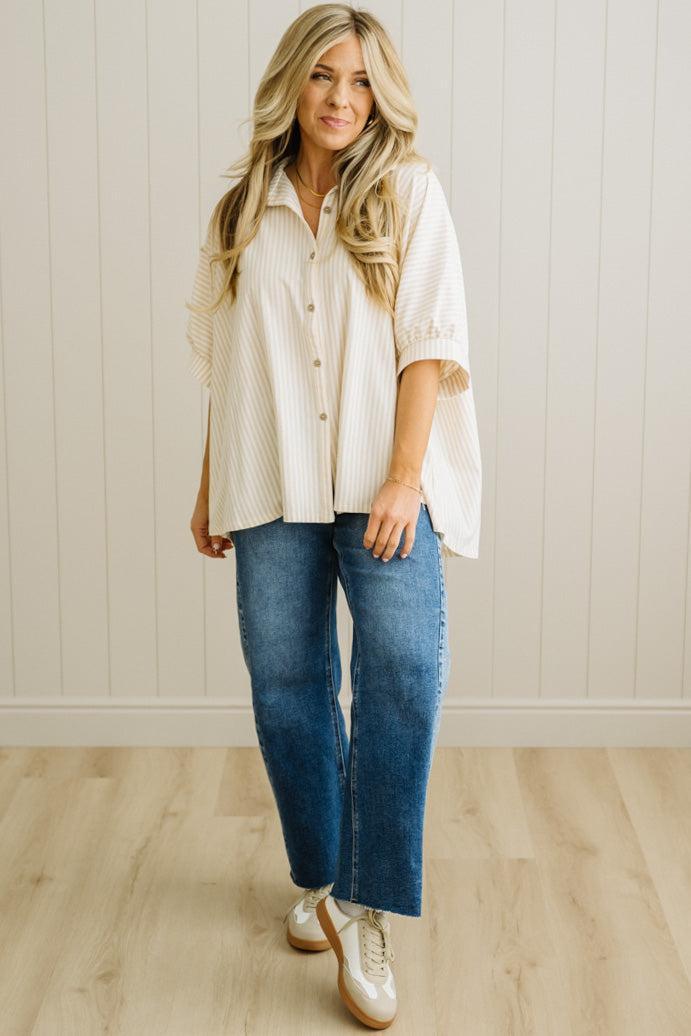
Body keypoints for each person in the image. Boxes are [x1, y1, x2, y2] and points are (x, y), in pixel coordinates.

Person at [184, 5, 482, 1029]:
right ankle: (324, 878)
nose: (342, 99)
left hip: (380, 481)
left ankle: (365, 903)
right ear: (291, 87)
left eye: (359, 80)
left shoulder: (407, 193)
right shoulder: (241, 211)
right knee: (285, 688)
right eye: (323, 78)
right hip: (269, 482)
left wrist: (406, 475)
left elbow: (429, 345)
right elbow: (231, 361)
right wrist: (208, 478)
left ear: (379, 90)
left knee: (401, 666)